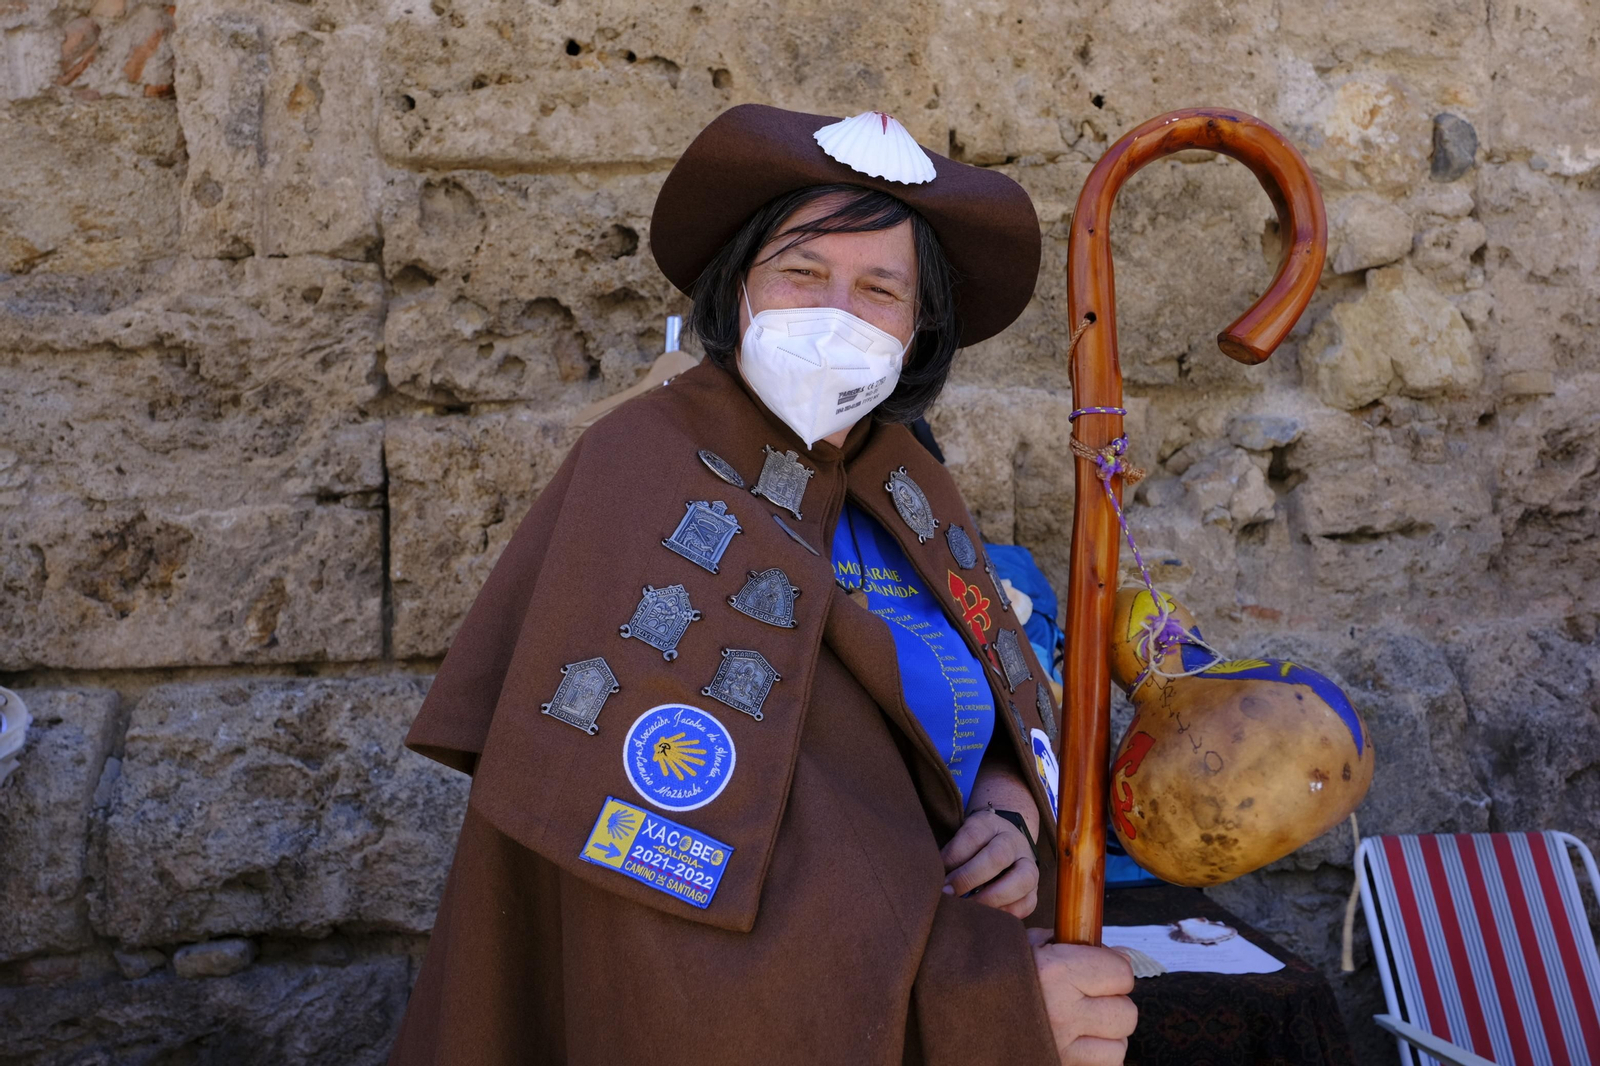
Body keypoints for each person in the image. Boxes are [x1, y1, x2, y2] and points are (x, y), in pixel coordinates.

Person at [388, 103, 1137, 1066]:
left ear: (918, 328)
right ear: (739, 285)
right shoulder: (643, 469)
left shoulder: (910, 487)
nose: (837, 315)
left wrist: (1004, 802)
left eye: (879, 288)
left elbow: (983, 701)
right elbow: (674, 887)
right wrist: (982, 1003)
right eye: (802, 273)